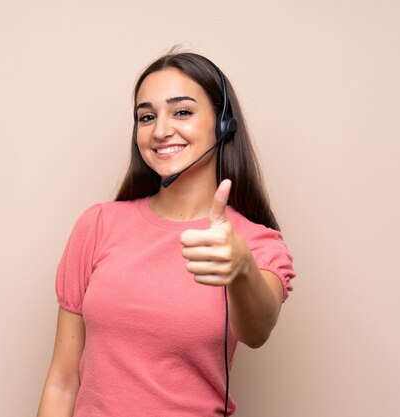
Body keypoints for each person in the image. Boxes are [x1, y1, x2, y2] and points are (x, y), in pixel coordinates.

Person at [37, 50, 296, 417]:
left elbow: (258, 331)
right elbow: (62, 381)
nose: (160, 130)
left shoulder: (254, 243)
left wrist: (241, 268)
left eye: (182, 112)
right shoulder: (97, 225)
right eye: (146, 117)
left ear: (223, 124)